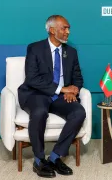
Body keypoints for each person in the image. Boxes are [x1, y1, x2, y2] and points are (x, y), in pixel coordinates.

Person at [18, 15, 86, 178]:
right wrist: (63, 89)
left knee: (79, 112)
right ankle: (39, 160)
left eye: (69, 28)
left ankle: (55, 157)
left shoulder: (71, 52)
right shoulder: (35, 48)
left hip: (60, 97)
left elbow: (78, 78)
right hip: (37, 94)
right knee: (40, 112)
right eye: (64, 28)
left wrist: (74, 90)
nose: (68, 32)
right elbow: (32, 78)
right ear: (51, 30)